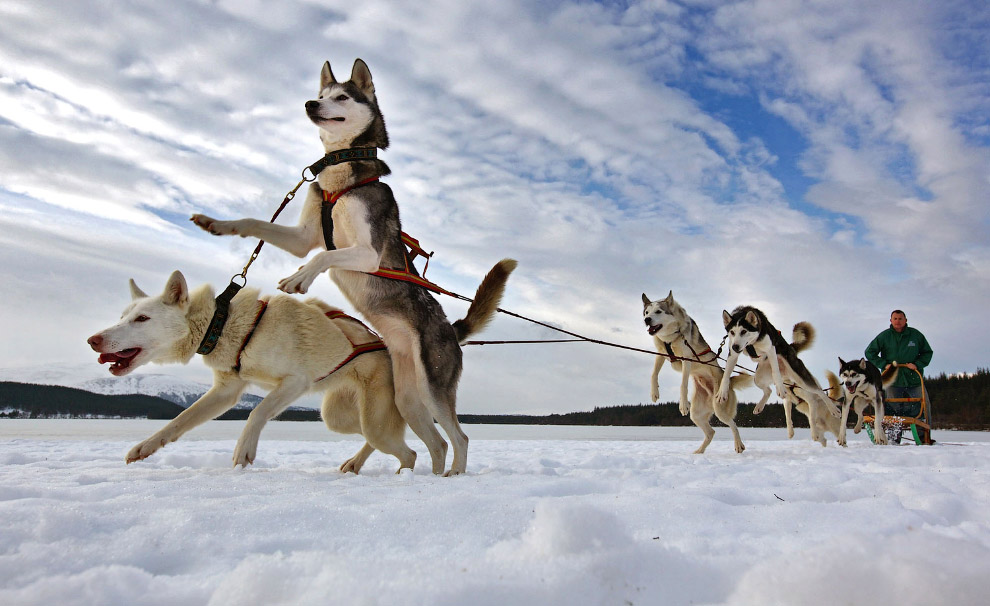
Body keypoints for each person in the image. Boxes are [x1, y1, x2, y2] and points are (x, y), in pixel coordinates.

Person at [865, 309, 934, 440]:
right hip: (892, 379)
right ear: (891, 321)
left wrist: (917, 364)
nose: (898, 321)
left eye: (900, 319)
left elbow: (927, 352)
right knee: (891, 407)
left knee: (924, 406)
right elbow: (870, 352)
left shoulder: (915, 335)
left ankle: (924, 437)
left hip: (913, 378)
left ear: (905, 320)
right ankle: (893, 437)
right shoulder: (884, 336)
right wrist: (883, 364)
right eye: (895, 319)